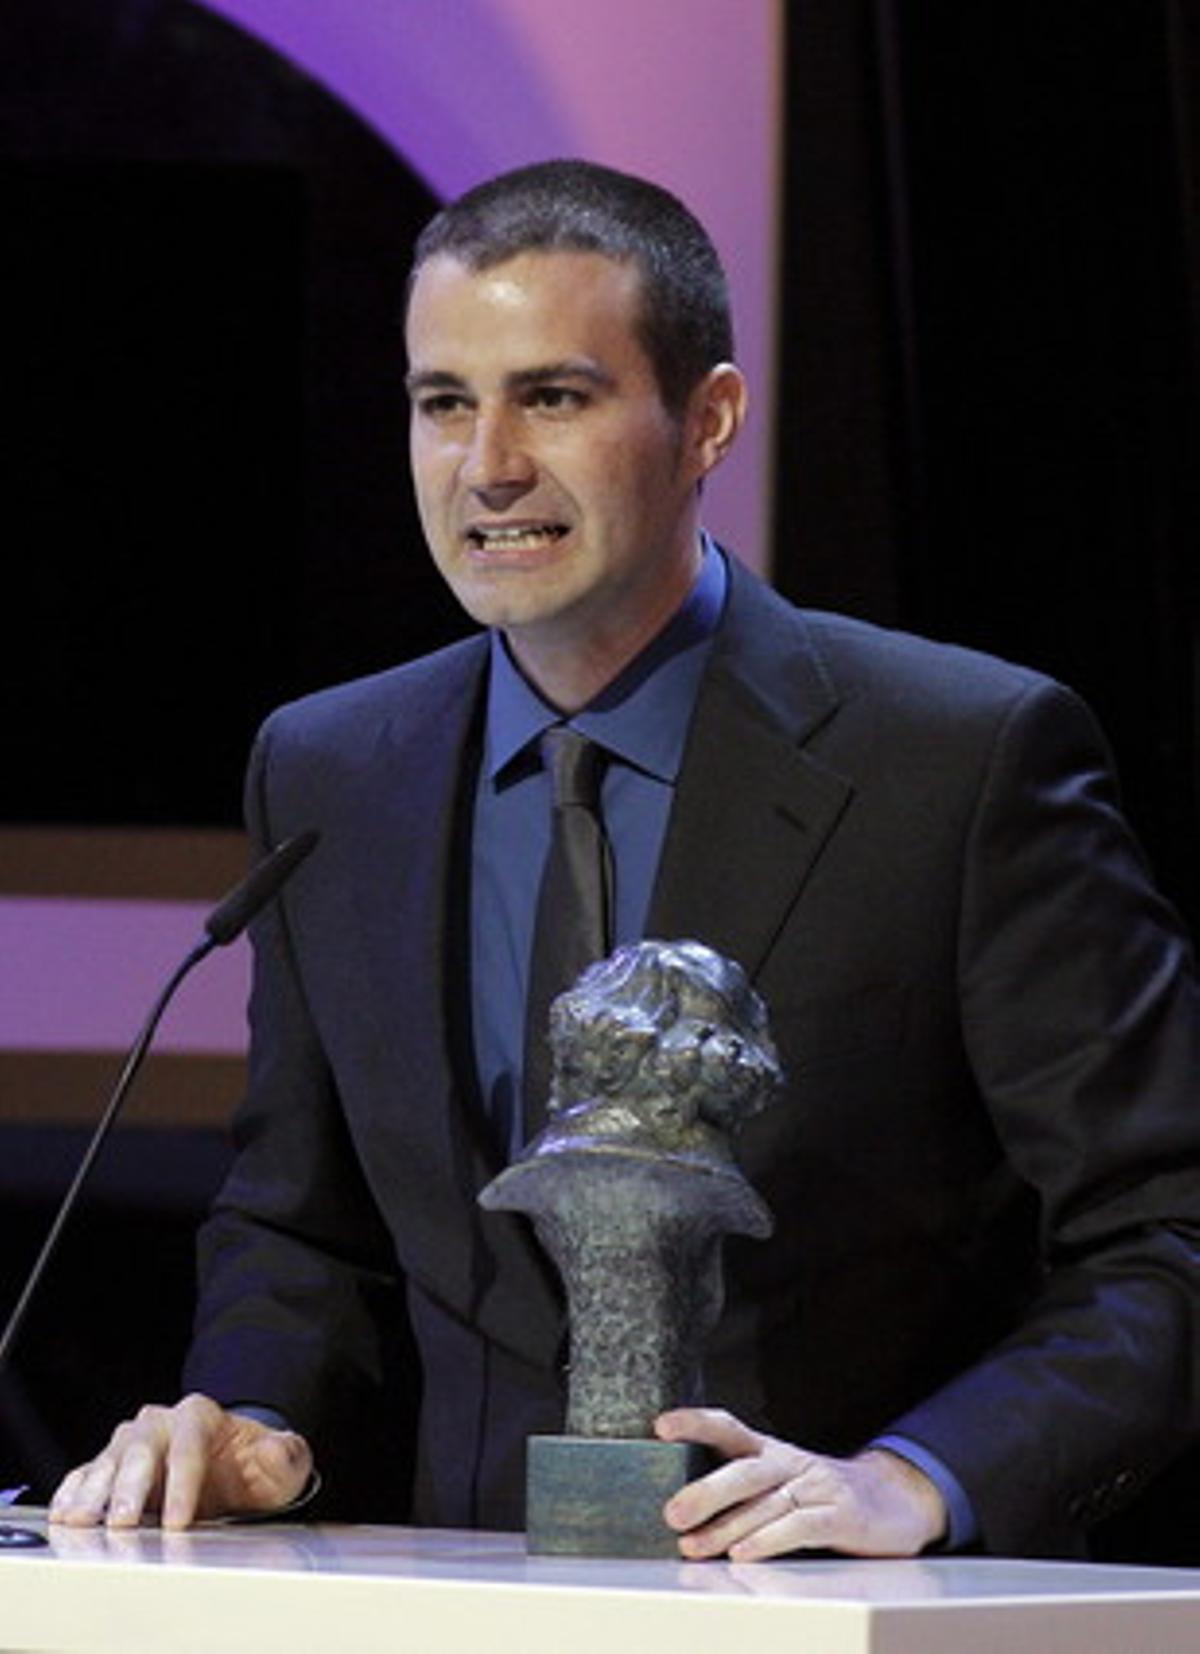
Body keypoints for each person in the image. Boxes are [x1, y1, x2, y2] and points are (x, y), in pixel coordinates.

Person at [50, 160, 1200, 1561]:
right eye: (443, 404)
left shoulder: (962, 757)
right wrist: (258, 1421)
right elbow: (304, 1228)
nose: (489, 467)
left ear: (707, 418)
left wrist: (922, 1474)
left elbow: (1165, 1236)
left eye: (554, 396)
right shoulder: (329, 768)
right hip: (462, 1612)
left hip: (835, 1621)